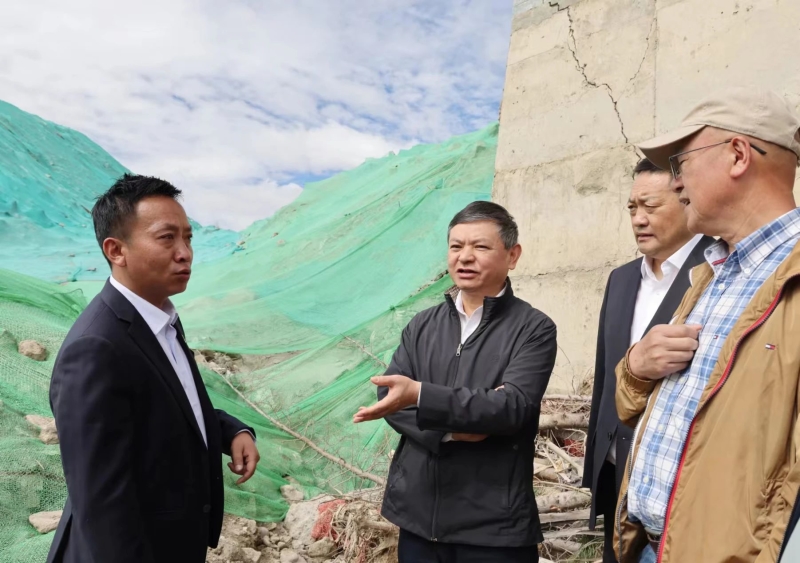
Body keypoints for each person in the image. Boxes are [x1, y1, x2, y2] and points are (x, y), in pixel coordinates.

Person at [613, 87, 800, 563]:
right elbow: (645, 409)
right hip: (651, 546)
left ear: (738, 155)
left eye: (680, 164)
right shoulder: (711, 275)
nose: (675, 184)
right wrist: (637, 368)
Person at [47, 174, 260, 563]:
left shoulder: (161, 321)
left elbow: (170, 408)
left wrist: (232, 431)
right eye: (166, 238)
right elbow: (102, 501)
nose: (184, 253)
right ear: (116, 250)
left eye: (188, 238)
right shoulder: (96, 348)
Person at [353, 201, 557, 563]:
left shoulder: (533, 329)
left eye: (480, 246)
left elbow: (511, 407)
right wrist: (451, 428)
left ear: (512, 256)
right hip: (418, 519)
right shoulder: (423, 325)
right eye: (456, 246)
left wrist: (421, 396)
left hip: (493, 526)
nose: (465, 257)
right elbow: (390, 396)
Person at [583, 157, 714, 563]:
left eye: (651, 206)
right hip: (616, 474)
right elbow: (606, 374)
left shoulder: (717, 270)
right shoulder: (622, 278)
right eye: (632, 208)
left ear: (686, 198)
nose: (639, 219)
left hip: (675, 486)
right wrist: (595, 466)